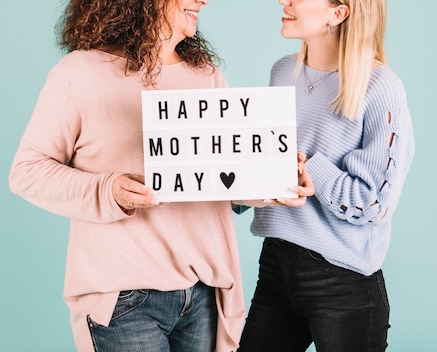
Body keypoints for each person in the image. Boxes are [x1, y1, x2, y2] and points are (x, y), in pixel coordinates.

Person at [8, 0, 311, 351]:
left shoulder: (207, 76)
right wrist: (108, 190)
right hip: (124, 298)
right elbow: (27, 172)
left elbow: (218, 180)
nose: (203, 0)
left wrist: (272, 180)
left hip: (203, 293)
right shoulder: (78, 73)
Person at [236, 0, 415, 351]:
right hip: (276, 267)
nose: (284, 2)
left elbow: (375, 203)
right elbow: (265, 166)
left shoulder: (380, 86)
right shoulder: (282, 72)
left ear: (338, 13)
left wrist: (311, 168)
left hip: (342, 283)